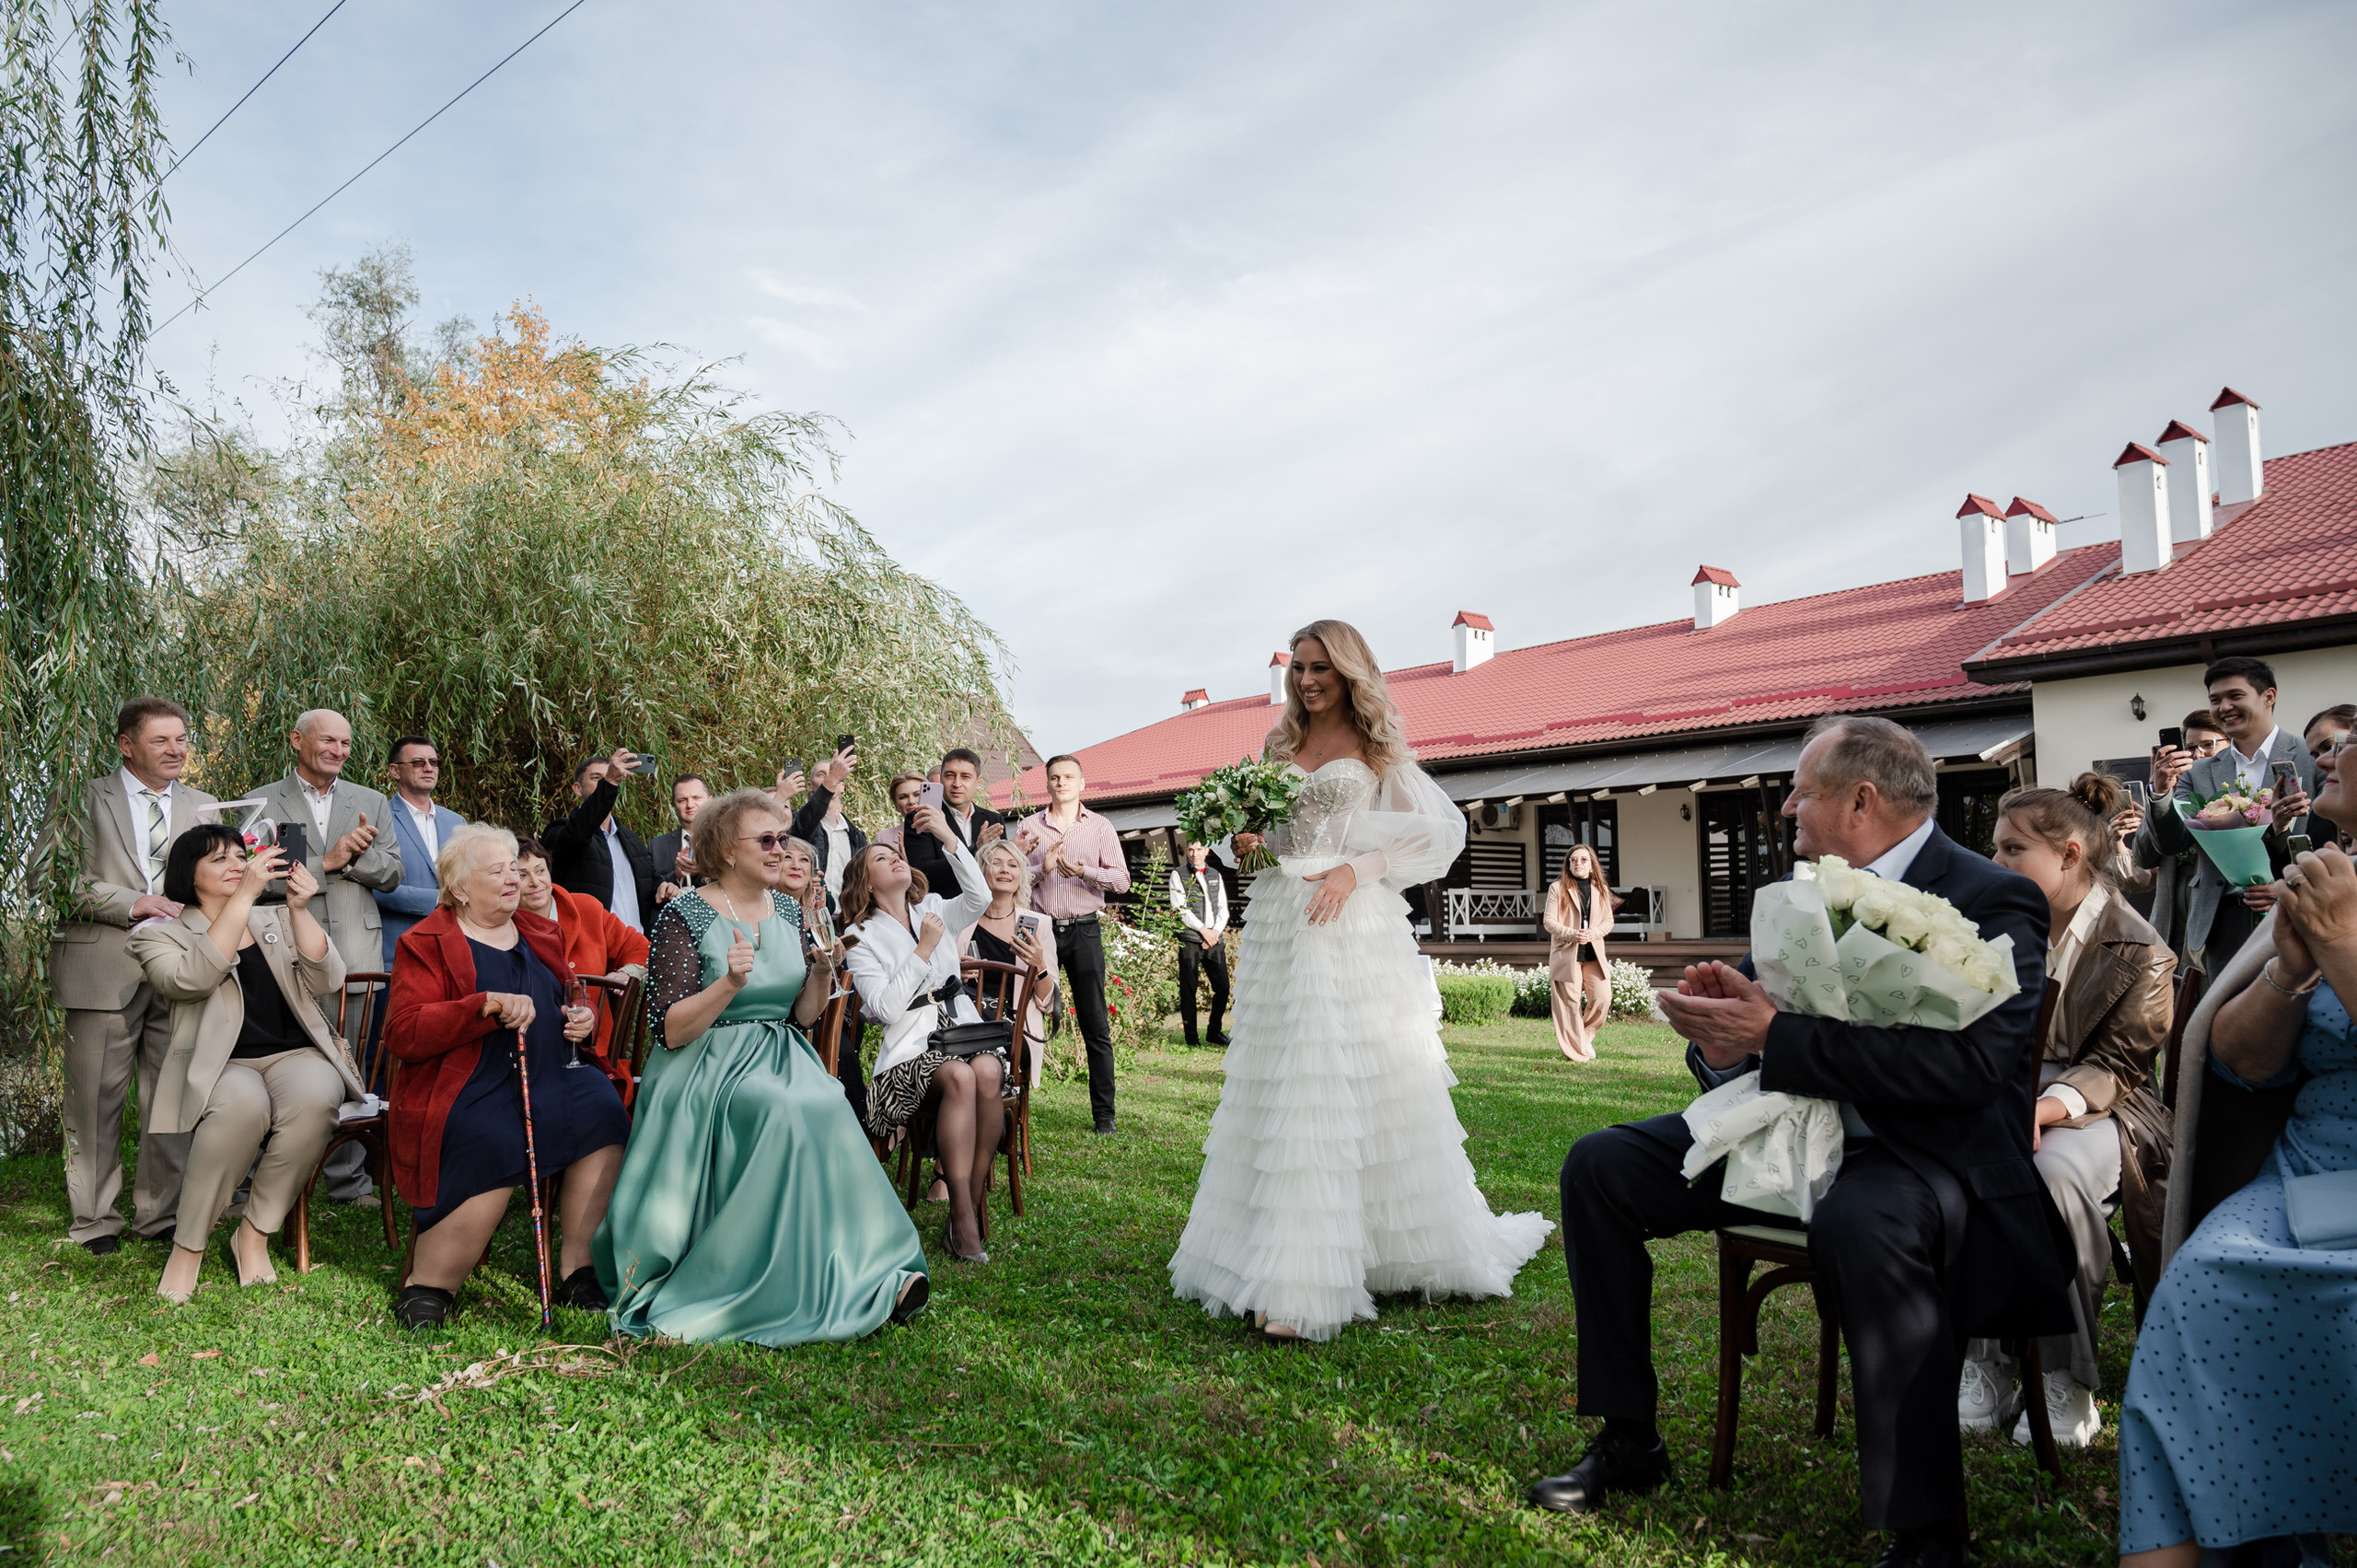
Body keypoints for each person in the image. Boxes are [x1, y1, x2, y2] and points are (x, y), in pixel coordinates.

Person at [1528, 714, 2062, 1568]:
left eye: (1800, 793)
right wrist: (1719, 1038)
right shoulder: (1800, 888)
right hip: (1789, 1129)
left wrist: (1777, 1036)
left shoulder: (1996, 896)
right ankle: (1630, 1437)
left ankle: (1927, 1534)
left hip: (1921, 1151)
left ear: (1861, 799)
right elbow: (1757, 1030)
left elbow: (1970, 1070)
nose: (1784, 809)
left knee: (1863, 1223)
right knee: (1601, 1167)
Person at [1168, 619, 1552, 1343]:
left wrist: (1356, 869)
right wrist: (1251, 844)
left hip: (1349, 919)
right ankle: (1272, 1260)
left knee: (1338, 1079)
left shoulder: (1377, 748)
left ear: (1348, 672)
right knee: (1284, 1081)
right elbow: (1275, 843)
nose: (1308, 680)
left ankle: (1304, 1285)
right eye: (1300, 668)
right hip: (1282, 918)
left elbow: (1434, 834)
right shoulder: (1278, 745)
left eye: (1321, 667)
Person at [2115, 740, 2357, 1567]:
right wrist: (2292, 971)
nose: (2337, 748)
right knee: (2200, 1283)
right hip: (2309, 1171)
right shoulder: (2329, 877)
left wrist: (2341, 945)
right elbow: (2243, 1064)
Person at [593, 789, 929, 1342]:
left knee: (827, 1100)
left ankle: (868, 1269)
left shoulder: (789, 911)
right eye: (768, 840)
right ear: (727, 850)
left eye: (783, 839)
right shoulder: (684, 913)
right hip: (704, 1061)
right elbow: (669, 1028)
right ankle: (758, 1276)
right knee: (784, 1108)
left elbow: (802, 1015)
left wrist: (820, 972)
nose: (781, 850)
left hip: (780, 1051)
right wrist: (729, 983)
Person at [1971, 773, 2174, 1448]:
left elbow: (2119, 1066)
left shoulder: (2141, 948)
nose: (1995, 862)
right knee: (1967, 1162)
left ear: (2069, 854)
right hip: (2007, 1089)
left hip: (2110, 1111)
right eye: (1995, 848)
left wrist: (2042, 1110)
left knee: (2054, 1175)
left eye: (2012, 849)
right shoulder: (1991, 927)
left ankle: (2066, 1377)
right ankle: (1986, 1358)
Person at [384, 824, 629, 1328]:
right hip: (469, 1080)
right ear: (459, 888)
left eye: (513, 869)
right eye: (497, 871)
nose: (514, 878)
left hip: (552, 1071)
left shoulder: (540, 932)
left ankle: (578, 1270)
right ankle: (430, 1282)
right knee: (493, 1132)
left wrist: (579, 1020)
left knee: (603, 1111)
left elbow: (565, 997)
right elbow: (404, 1032)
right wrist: (482, 1006)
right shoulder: (425, 942)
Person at [127, 829, 362, 1301]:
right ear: (188, 874)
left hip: (294, 1054)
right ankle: (187, 1247)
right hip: (220, 1064)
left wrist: (299, 911)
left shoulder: (275, 917)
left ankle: (253, 1234)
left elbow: (330, 979)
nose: (237, 865)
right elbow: (191, 980)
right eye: (219, 860)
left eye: (241, 856)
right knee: (242, 1105)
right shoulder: (159, 934)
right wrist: (244, 898)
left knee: (316, 1099)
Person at [52, 698, 219, 1253]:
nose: (176, 750)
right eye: (160, 740)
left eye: (182, 739)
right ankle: (95, 1219)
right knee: (93, 1102)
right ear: (127, 745)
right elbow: (53, 880)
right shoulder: (81, 798)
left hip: (182, 966)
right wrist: (133, 903)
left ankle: (159, 1215)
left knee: (171, 1097)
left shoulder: (204, 806)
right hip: (103, 967)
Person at [840, 815, 1001, 1263]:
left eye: (896, 854)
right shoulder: (858, 936)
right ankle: (965, 1219)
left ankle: (965, 1206)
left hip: (962, 1030)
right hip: (909, 1051)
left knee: (989, 1070)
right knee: (960, 1077)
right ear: (866, 883)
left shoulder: (932, 906)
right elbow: (886, 1009)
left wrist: (948, 836)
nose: (895, 858)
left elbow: (981, 896)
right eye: (881, 858)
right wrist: (924, 949)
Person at [2143, 658, 2320, 973]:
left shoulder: (2311, 756)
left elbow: (2330, 836)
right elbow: (2172, 844)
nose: (2224, 707)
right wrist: (2160, 793)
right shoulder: (2198, 772)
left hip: (2298, 912)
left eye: (2235, 696)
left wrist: (2288, 886)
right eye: (2215, 700)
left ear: (2268, 697)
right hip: (2220, 919)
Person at [1014, 754, 1132, 1134]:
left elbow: (1123, 881)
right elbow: (1011, 879)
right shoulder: (1029, 827)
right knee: (1020, 1015)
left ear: (1082, 783)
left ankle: (1104, 1116)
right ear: (1047, 784)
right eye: (1055, 777)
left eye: (1068, 777)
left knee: (1095, 1023)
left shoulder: (1099, 826)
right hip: (1038, 929)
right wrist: (1041, 869)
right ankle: (1011, 1109)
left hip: (1084, 929)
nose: (1061, 782)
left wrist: (1086, 872)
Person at [514, 834, 650, 1073]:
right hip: (531, 1050)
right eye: (522, 875)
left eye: (540, 870)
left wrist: (625, 973)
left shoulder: (586, 908)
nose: (535, 882)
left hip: (594, 1050)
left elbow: (642, 948)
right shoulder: (503, 925)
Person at [772, 834, 868, 1122]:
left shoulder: (816, 916)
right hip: (782, 1012)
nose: (796, 865)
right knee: (841, 1050)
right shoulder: (763, 913)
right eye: (788, 858)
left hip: (820, 1010)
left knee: (846, 1040)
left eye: (804, 861)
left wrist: (834, 959)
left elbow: (835, 964)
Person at [2131, 710, 2230, 962]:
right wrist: (2160, 793)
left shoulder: (2236, 792)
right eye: (2191, 748)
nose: (2198, 754)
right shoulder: (2175, 790)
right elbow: (2143, 857)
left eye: (2208, 745)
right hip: (2172, 909)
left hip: (2216, 909)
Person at [964, 837, 1060, 1085]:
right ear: (981, 872)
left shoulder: (1038, 925)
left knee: (980, 1064)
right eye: (996, 863)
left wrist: (1040, 967)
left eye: (1013, 865)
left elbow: (1049, 1003)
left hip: (1014, 1032)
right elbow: (940, 981)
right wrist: (956, 973)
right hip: (964, 1023)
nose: (1005, 869)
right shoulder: (962, 922)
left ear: (1021, 876)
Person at [375, 736, 467, 968]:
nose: (428, 768)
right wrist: (436, 899)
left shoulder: (457, 822)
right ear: (395, 771)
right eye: (418, 762)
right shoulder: (379, 819)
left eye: (433, 762)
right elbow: (373, 888)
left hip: (453, 950)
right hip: (400, 952)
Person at [540, 749, 656, 934]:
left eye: (608, 776)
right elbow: (579, 832)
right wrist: (609, 783)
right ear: (577, 788)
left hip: (639, 944)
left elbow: (649, 886)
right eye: (597, 778)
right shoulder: (561, 831)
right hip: (594, 945)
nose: (603, 782)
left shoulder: (631, 839)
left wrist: (669, 883)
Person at [1544, 842, 1615, 1063]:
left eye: (1583, 860)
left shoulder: (1601, 889)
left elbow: (1608, 921)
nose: (1578, 863)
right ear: (1568, 865)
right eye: (1573, 860)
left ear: (1592, 865)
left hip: (1593, 953)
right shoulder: (1557, 888)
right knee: (1570, 1004)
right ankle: (1575, 1053)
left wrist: (1594, 932)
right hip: (1567, 953)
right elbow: (1549, 921)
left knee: (1603, 997)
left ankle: (1584, 1037)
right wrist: (1572, 934)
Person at [901, 749, 1004, 902]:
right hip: (945, 909)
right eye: (950, 776)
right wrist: (976, 851)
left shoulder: (994, 819)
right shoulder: (922, 816)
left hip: (989, 908)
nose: (957, 784)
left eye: (965, 777)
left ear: (978, 781)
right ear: (941, 779)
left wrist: (1016, 853)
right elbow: (923, 874)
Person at [787, 743, 867, 909]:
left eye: (834, 774)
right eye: (822, 775)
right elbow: (802, 827)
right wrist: (831, 780)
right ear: (810, 786)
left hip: (849, 916)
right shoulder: (796, 821)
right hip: (810, 911)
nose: (830, 777)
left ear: (842, 786)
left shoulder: (856, 836)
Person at [1168, 838, 1231, 1048]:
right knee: (1189, 990)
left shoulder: (1215, 874)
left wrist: (1214, 933)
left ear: (1207, 851)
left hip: (1214, 939)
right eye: (1191, 849)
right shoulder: (1178, 874)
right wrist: (1203, 931)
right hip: (1190, 939)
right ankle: (1192, 1039)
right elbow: (1180, 908)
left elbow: (1222, 908)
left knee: (1223, 987)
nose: (1194, 854)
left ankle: (1214, 1032)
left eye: (1199, 849)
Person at [649, 774, 712, 903]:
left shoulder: (728, 840)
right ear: (674, 806)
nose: (690, 805)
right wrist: (676, 876)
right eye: (682, 800)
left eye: (696, 798)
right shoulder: (656, 846)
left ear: (711, 801)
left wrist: (703, 869)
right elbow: (647, 893)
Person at [871, 773, 927, 853]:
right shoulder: (883, 839)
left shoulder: (942, 829)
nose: (911, 801)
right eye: (903, 797)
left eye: (917, 794)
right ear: (896, 804)